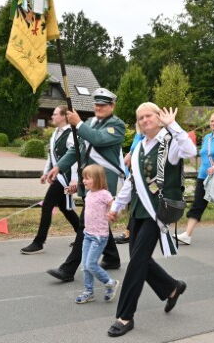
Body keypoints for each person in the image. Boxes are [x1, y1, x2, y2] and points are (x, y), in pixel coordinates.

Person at [106, 104, 196, 337]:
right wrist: (116, 206)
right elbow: (131, 182)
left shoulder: (170, 142)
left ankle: (125, 316)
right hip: (138, 210)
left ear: (158, 117)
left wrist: (173, 125)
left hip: (157, 212)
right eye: (140, 117)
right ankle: (172, 287)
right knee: (140, 259)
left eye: (149, 115)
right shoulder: (138, 147)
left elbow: (190, 151)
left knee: (136, 263)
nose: (144, 120)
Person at [46, 88, 125, 282]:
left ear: (112, 106)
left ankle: (68, 269)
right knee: (98, 219)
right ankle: (112, 258)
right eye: (96, 104)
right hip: (89, 180)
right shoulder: (89, 123)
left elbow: (98, 139)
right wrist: (58, 167)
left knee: (86, 224)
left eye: (103, 105)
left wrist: (78, 123)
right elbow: (78, 150)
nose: (99, 107)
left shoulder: (117, 125)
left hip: (102, 183)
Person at [20, 106, 79, 254]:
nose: (52, 116)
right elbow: (51, 156)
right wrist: (46, 173)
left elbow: (75, 158)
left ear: (64, 116)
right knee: (65, 208)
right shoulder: (55, 133)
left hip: (65, 178)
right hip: (57, 176)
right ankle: (82, 236)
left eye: (55, 114)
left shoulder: (71, 133)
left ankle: (39, 242)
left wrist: (74, 179)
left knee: (47, 205)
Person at [177, 112, 214, 246]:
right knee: (197, 204)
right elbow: (203, 155)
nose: (213, 123)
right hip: (203, 176)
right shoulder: (207, 137)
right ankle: (187, 235)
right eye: (212, 121)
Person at [75, 164, 119, 304]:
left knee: (91, 264)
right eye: (83, 178)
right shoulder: (89, 194)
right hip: (88, 234)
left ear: (98, 179)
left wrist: (113, 213)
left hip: (99, 236)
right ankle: (89, 292)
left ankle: (110, 282)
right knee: (85, 265)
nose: (84, 181)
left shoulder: (104, 194)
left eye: (87, 178)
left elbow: (114, 205)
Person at [114, 131, 145, 245]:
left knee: (138, 203)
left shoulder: (155, 134)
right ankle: (131, 231)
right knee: (135, 202)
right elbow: (134, 148)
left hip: (144, 175)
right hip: (134, 172)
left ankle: (130, 231)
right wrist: (129, 155)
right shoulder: (139, 133)